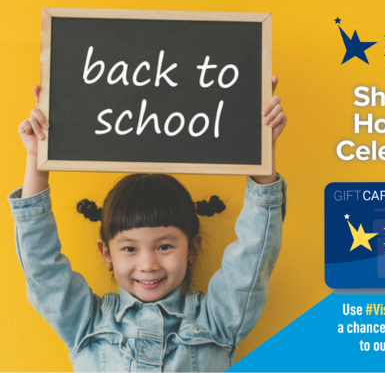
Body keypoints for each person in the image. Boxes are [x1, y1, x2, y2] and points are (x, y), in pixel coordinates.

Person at [8, 77, 287, 372]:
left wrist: (262, 155)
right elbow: (42, 269)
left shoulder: (218, 320)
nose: (148, 263)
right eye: (129, 248)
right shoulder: (85, 323)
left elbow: (254, 255)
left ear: (192, 249)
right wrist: (36, 158)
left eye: (164, 246)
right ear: (106, 254)